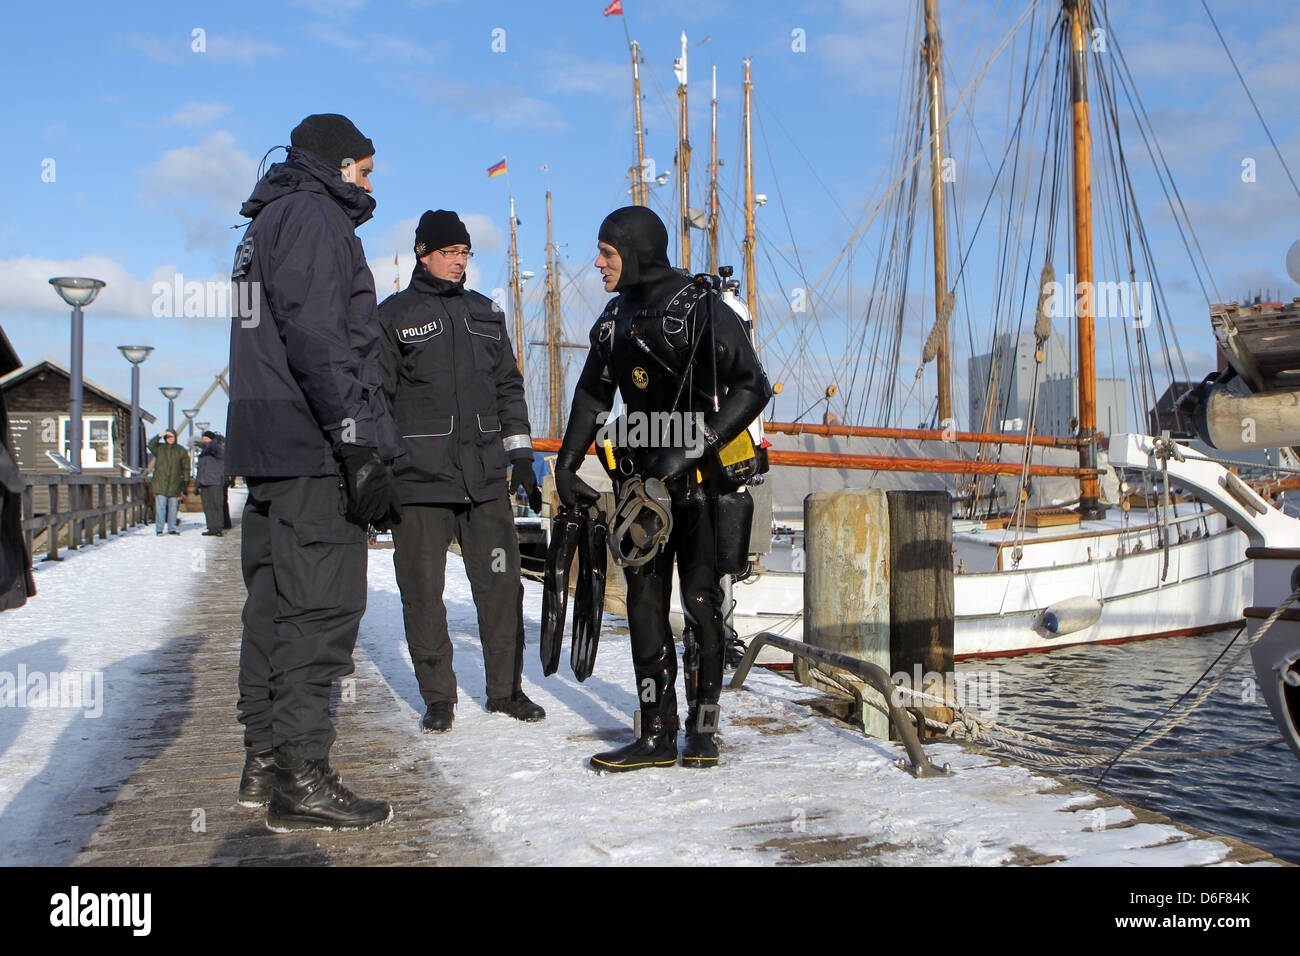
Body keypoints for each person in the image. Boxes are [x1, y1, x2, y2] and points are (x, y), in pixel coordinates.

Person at [226, 113, 403, 831]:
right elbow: (322, 338)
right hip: (312, 446)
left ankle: (266, 760)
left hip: (268, 443)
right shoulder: (314, 217)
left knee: (272, 605)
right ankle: (301, 776)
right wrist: (358, 440)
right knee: (321, 609)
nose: (370, 186)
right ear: (337, 165)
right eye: (364, 171)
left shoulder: (262, 225)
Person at [553, 206, 771, 772]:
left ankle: (703, 730)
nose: (598, 263)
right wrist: (566, 463)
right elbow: (592, 396)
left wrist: (692, 446)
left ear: (637, 251)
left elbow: (754, 386)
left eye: (607, 252)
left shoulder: (700, 310)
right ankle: (655, 732)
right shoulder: (613, 319)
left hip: (701, 484)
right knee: (646, 608)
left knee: (701, 606)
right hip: (640, 490)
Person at [378, 209, 545, 734]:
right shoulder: (392, 316)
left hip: (485, 482)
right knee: (422, 592)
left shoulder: (487, 314)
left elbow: (508, 389)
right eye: (450, 253)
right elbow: (376, 399)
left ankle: (505, 691)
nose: (459, 262)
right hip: (419, 484)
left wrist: (521, 458)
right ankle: (438, 698)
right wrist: (380, 471)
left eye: (465, 253)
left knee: (501, 587)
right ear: (424, 253)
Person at [147, 430, 190, 535]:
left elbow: (186, 467)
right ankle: (159, 529)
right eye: (168, 437)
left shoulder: (181, 450)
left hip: (175, 484)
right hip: (160, 483)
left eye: (172, 437)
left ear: (175, 437)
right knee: (160, 508)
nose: (170, 439)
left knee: (173, 508)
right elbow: (150, 445)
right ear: (165, 438)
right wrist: (158, 436)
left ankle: (171, 528)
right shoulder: (159, 448)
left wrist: (185, 481)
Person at [195, 430, 226, 536]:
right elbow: (200, 469)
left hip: (215, 481)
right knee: (207, 506)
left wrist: (208, 444)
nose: (204, 441)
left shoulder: (218, 448)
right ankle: (211, 527)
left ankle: (218, 528)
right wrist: (197, 484)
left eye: (206, 439)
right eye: (203, 439)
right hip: (204, 482)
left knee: (216, 505)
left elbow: (213, 447)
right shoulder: (203, 453)